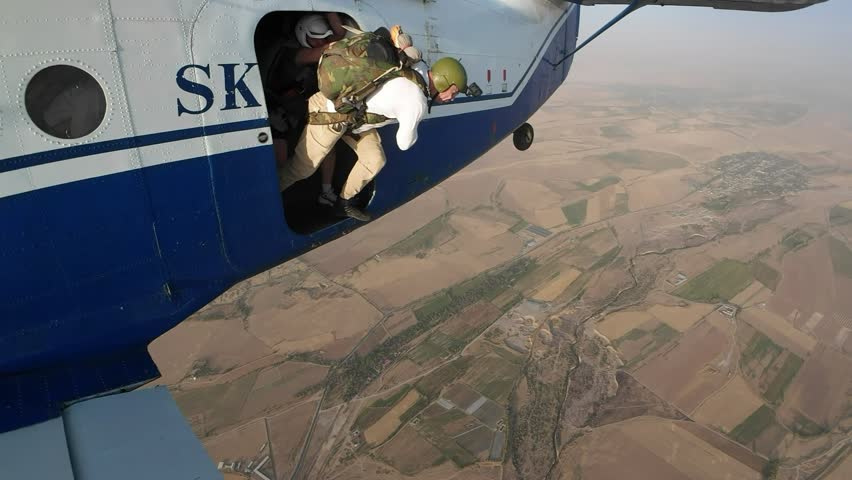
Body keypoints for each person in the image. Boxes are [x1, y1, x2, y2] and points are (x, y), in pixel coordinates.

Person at [278, 45, 469, 222]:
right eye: (452, 92)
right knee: (304, 168)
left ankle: (343, 203)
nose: (451, 98)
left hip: (353, 120)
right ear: (441, 82)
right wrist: (416, 122)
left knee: (375, 159)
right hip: (330, 112)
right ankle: (272, 193)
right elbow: (404, 143)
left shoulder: (419, 66)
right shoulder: (417, 102)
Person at [267, 13, 346, 206]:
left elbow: (338, 35)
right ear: (303, 34)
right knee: (282, 159)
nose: (321, 42)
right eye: (316, 37)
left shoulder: (313, 45)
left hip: (303, 105)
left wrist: (331, 13)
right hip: (280, 110)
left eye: (324, 37)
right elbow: (328, 49)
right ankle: (272, 197)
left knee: (328, 143)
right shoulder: (294, 53)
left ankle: (326, 192)